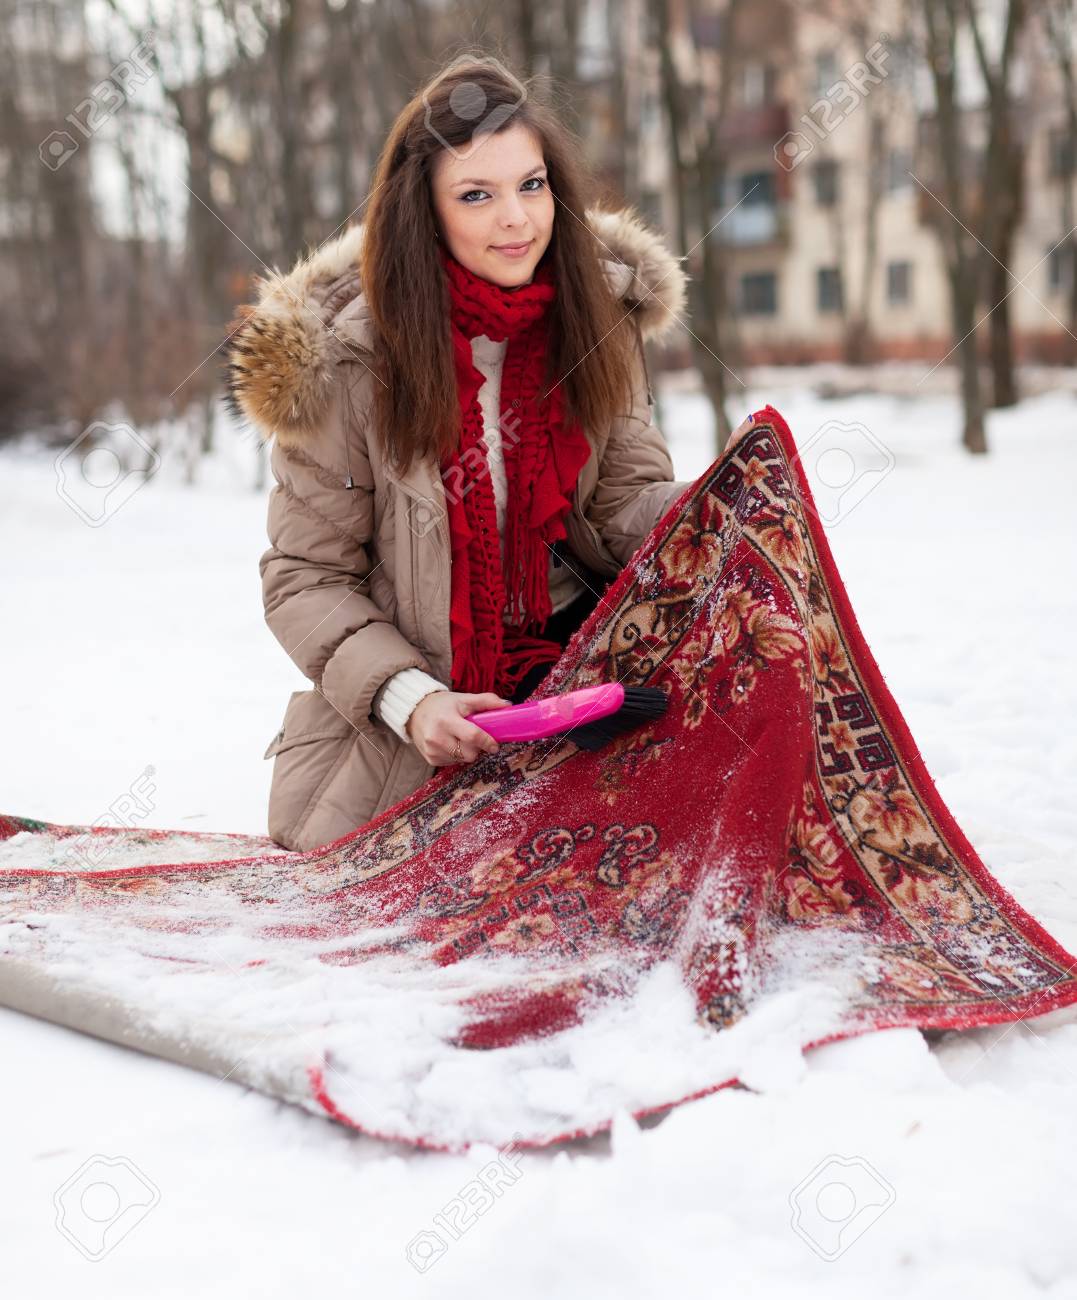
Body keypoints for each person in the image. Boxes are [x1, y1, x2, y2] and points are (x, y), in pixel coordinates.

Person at [225, 56, 694, 852]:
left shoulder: (596, 318)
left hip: (569, 695)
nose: (516, 219)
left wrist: (709, 509)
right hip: (408, 746)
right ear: (427, 212)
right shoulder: (345, 356)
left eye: (531, 185)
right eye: (476, 195)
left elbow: (622, 502)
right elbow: (306, 576)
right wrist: (410, 700)